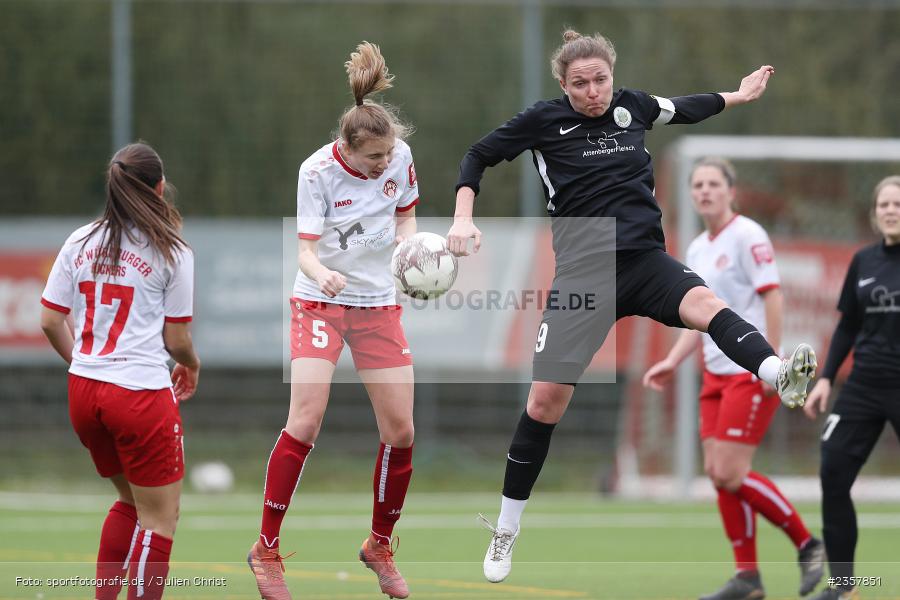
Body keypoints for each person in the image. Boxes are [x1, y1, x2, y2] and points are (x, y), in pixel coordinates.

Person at [446, 29, 817, 584]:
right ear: (562, 85)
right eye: (580, 84)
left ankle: (776, 372)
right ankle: (506, 528)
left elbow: (685, 108)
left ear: (612, 76)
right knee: (545, 404)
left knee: (707, 304)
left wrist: (736, 96)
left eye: (600, 80)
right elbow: (478, 155)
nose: (593, 92)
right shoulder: (542, 121)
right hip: (584, 271)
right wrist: (461, 216)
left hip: (645, 260)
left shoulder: (633, 107)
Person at [246, 41, 418, 600]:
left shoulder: (399, 155)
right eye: (374, 159)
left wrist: (414, 255)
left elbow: (406, 213)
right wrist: (321, 274)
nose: (384, 165)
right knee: (307, 418)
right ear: (348, 149)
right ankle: (266, 549)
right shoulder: (316, 171)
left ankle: (380, 545)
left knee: (401, 431)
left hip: (377, 305)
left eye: (389, 155)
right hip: (319, 301)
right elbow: (305, 251)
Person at [642, 158, 824, 599]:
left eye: (713, 184)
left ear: (731, 191)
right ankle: (748, 578)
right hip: (714, 377)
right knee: (719, 474)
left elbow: (772, 297)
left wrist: (775, 366)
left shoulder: (748, 235)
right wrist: (673, 360)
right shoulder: (699, 247)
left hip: (750, 374)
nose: (705, 191)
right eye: (698, 185)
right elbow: (701, 317)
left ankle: (809, 544)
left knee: (729, 470)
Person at [39, 142, 199, 600]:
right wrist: (192, 364)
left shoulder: (80, 240)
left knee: (130, 502)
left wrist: (85, 365)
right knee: (160, 517)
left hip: (85, 392)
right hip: (139, 395)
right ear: (160, 188)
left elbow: (50, 320)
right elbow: (177, 341)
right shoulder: (173, 250)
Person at [801, 175, 900, 600]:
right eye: (884, 205)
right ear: (875, 214)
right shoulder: (864, 261)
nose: (891, 210)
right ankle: (845, 588)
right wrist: (825, 379)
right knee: (833, 471)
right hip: (863, 386)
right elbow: (847, 326)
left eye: (898, 203)